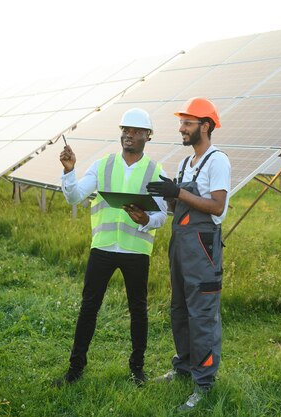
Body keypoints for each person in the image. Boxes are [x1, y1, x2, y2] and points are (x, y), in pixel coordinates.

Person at [54, 108, 167, 387]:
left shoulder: (156, 171)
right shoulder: (103, 164)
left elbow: (162, 215)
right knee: (88, 308)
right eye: (125, 130)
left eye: (136, 131)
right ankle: (75, 369)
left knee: (138, 310)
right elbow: (75, 196)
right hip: (102, 249)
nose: (129, 134)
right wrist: (69, 172)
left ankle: (137, 369)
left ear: (147, 137)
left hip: (136, 252)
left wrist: (146, 219)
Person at [146, 97, 231, 412]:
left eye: (187, 123)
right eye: (181, 122)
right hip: (180, 247)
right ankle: (183, 368)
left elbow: (217, 206)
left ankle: (204, 385)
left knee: (202, 316)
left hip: (204, 251)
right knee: (179, 311)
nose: (181, 128)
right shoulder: (185, 163)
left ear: (205, 126)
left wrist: (178, 192)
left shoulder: (217, 161)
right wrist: (168, 198)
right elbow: (181, 207)